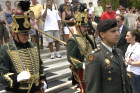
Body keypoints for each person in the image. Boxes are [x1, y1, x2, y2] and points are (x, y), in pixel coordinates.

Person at [0, 1, 47, 93]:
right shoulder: (5, 49)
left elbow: (40, 66)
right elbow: (2, 74)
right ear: (15, 33)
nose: (27, 36)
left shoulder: (34, 46)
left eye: (28, 34)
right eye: (23, 34)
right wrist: (16, 78)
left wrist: (43, 80)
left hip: (37, 89)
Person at [85, 19, 132, 93]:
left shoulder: (119, 52)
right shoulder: (96, 57)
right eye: (113, 31)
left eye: (117, 31)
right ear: (102, 34)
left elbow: (125, 81)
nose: (117, 34)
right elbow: (93, 89)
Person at [67, 4, 97, 93]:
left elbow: (95, 49)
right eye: (84, 26)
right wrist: (82, 65)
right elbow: (71, 57)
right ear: (77, 26)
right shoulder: (73, 40)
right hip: (82, 70)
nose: (86, 28)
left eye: (87, 26)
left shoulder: (90, 37)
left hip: (93, 66)